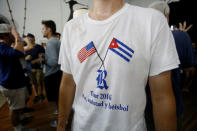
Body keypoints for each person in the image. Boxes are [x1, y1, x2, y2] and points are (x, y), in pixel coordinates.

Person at [57, 0, 180, 131]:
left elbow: (162, 98)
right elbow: (68, 83)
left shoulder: (152, 21)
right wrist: (61, 124)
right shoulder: (71, 28)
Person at [148, 1, 196, 130]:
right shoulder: (181, 36)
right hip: (171, 107)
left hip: (142, 108)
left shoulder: (137, 38)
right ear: (166, 16)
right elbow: (189, 70)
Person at [0, 23, 36, 131]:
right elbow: (19, 52)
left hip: (15, 83)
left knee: (17, 107)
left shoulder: (5, 47)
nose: (15, 35)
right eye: (12, 34)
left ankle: (20, 125)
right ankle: (18, 129)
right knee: (14, 109)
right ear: (6, 36)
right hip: (11, 84)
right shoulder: (1, 47)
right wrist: (17, 37)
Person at [41, 20, 61, 127]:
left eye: (43, 29)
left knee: (56, 100)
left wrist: (44, 60)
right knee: (59, 99)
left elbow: (53, 61)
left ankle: (60, 121)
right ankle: (62, 118)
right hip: (57, 73)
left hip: (52, 74)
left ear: (49, 30)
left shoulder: (50, 42)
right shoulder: (56, 41)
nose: (42, 31)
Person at [24, 33, 45, 103]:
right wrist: (26, 59)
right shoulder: (25, 48)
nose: (29, 40)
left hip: (39, 68)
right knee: (33, 83)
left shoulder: (39, 47)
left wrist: (36, 60)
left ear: (34, 38)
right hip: (30, 69)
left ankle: (41, 94)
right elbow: (22, 59)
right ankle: (36, 96)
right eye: (28, 38)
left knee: (40, 82)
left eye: (30, 38)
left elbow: (43, 58)